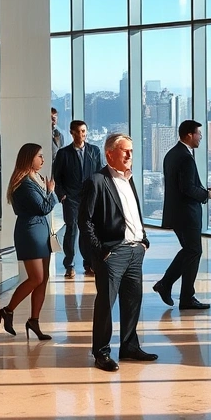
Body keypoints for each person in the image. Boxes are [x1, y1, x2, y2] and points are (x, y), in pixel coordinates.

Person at [79, 133, 157, 372]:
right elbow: (85, 220)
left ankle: (129, 346)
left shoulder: (129, 179)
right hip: (112, 253)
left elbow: (132, 212)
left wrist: (143, 240)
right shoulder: (97, 181)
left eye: (131, 151)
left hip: (135, 251)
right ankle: (101, 352)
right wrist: (100, 251)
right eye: (125, 151)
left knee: (133, 301)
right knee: (105, 304)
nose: (130, 155)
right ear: (109, 153)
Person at [0, 143, 58, 341]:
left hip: (43, 230)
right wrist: (51, 191)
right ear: (29, 158)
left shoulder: (38, 178)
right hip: (30, 231)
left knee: (44, 278)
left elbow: (47, 206)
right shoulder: (24, 183)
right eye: (39, 156)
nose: (42, 160)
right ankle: (8, 310)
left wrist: (50, 191)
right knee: (36, 278)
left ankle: (34, 320)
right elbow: (43, 207)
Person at [155, 120, 211, 310]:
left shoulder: (172, 154)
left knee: (191, 251)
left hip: (177, 213)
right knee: (193, 251)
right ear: (189, 135)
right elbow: (187, 188)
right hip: (187, 214)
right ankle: (175, 289)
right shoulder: (185, 157)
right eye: (198, 133)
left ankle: (174, 289)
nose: (201, 137)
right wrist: (206, 194)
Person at [53, 119, 104, 278]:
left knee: (88, 231)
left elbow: (99, 174)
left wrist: (99, 195)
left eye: (83, 131)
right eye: (78, 132)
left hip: (89, 197)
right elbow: (57, 176)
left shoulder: (94, 151)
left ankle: (89, 263)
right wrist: (62, 195)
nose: (81, 135)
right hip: (71, 198)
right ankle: (69, 264)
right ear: (71, 133)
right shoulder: (63, 153)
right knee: (72, 230)